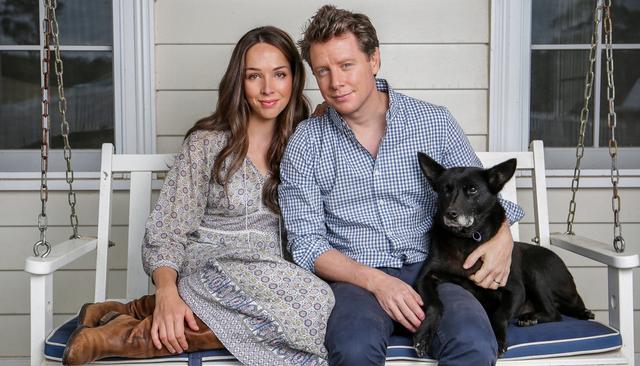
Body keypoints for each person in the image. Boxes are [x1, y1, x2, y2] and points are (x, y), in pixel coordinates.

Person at [63, 26, 334, 366]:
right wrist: (165, 292)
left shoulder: (303, 139)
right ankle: (121, 332)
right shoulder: (207, 143)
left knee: (316, 300)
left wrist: (331, 113)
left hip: (273, 279)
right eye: (254, 76)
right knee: (313, 297)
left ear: (295, 79)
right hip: (211, 268)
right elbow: (168, 228)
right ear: (239, 81)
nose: (268, 89)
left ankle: (128, 323)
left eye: (279, 74)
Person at [278, 6, 525, 366]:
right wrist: (376, 281)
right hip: (354, 279)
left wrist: (503, 237)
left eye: (346, 65)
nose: (335, 82)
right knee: (353, 349)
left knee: (473, 341)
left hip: (436, 272)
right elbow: (306, 243)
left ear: (374, 59)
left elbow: (482, 191)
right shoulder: (307, 142)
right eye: (323, 71)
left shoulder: (433, 122)